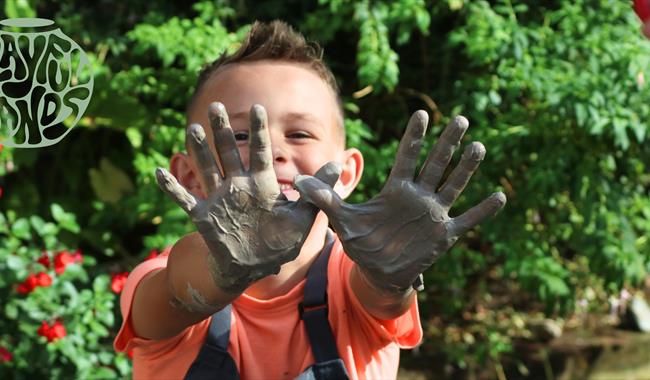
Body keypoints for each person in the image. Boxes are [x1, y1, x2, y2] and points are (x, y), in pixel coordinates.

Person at [114, 20, 506, 379]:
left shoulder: (353, 284)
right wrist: (219, 273)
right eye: (241, 135)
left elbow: (381, 303)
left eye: (299, 134)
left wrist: (389, 280)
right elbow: (177, 298)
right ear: (189, 176)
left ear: (347, 173)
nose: (274, 152)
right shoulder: (159, 281)